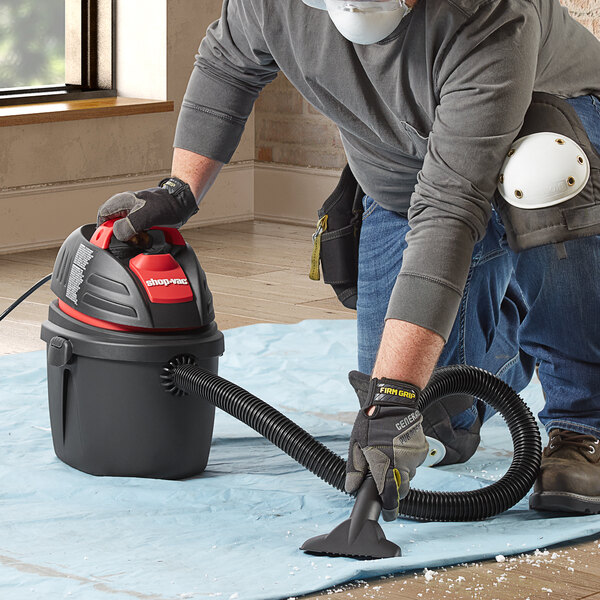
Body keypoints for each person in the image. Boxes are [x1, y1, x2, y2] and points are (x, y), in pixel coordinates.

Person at [98, 0, 600, 521]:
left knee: (548, 169)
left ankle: (584, 421)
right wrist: (181, 189)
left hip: (553, 138)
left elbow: (449, 210)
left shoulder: (489, 13)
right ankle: (511, 333)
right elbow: (229, 63)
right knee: (429, 429)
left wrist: (395, 389)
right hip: (405, 177)